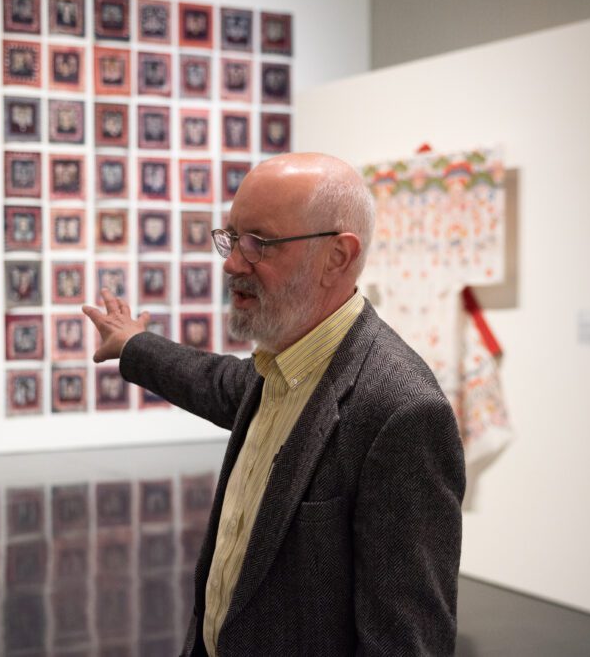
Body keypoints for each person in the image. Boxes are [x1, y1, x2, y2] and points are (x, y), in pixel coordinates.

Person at [83, 152, 465, 655]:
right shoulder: (282, 367)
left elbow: (406, 643)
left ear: (337, 257)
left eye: (258, 243)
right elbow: (213, 380)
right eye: (232, 237)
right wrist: (134, 345)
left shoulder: (401, 414)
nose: (232, 262)